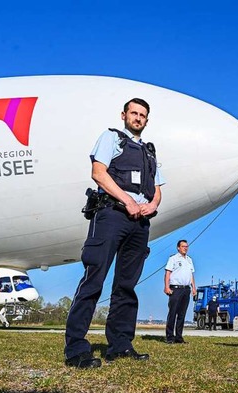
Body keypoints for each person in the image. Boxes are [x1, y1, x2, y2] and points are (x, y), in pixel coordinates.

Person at [64, 98, 164, 368]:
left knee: (126, 286)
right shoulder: (111, 138)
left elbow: (157, 189)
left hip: (139, 222)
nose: (138, 118)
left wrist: (152, 205)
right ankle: (75, 348)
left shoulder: (150, 152)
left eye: (143, 115)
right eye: (134, 113)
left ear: (147, 120)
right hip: (112, 213)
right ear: (124, 115)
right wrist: (127, 200)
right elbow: (99, 173)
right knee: (94, 279)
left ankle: (119, 345)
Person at [164, 240, 196, 343]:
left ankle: (179, 337)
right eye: (183, 246)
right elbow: (168, 273)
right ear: (178, 247)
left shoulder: (189, 260)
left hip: (186, 289)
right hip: (176, 289)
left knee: (182, 314)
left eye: (186, 246)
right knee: (173, 312)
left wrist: (193, 287)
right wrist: (166, 287)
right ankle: (170, 337)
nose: (185, 248)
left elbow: (191, 275)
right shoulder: (173, 258)